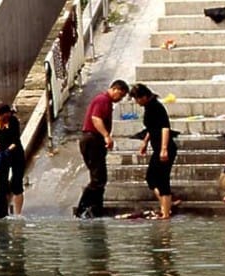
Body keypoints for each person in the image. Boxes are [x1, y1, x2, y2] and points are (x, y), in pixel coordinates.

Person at [75, 79, 129, 218]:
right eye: (121, 95)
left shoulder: (105, 101)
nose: (120, 99)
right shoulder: (103, 100)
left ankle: (95, 208)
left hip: (94, 140)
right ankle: (83, 208)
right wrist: (106, 135)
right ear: (116, 89)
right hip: (93, 139)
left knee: (100, 177)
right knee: (98, 178)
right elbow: (96, 119)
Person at [130, 83, 178, 219]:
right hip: (157, 147)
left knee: (162, 180)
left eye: (137, 99)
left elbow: (164, 128)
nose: (137, 102)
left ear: (144, 96)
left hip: (165, 147)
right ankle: (166, 204)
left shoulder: (156, 107)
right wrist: (145, 142)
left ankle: (166, 212)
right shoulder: (148, 107)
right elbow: (152, 128)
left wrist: (164, 149)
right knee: (151, 178)